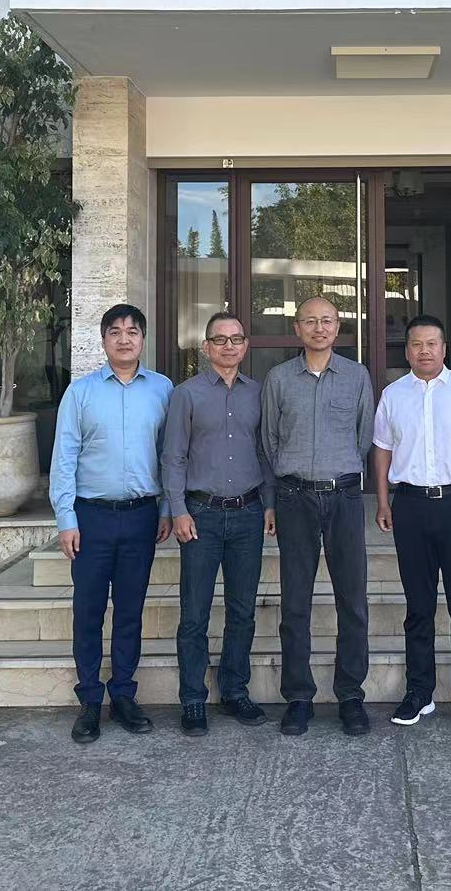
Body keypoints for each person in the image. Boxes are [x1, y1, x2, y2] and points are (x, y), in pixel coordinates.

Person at [51, 304, 173, 744]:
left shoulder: (162, 389)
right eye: (115, 332)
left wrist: (165, 509)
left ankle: (123, 694)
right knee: (87, 611)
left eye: (132, 331)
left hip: (141, 516)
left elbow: (169, 455)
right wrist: (66, 518)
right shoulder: (80, 393)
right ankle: (89, 700)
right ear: (103, 340)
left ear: (143, 339)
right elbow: (64, 456)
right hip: (91, 518)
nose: (124, 339)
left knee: (129, 610)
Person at [372, 315, 451, 730]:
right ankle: (419, 692)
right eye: (416, 344)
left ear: (444, 349)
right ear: (407, 350)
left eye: (432, 343)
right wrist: (383, 500)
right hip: (410, 505)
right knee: (418, 606)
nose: (424, 350)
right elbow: (382, 449)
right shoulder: (393, 394)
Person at [260, 295, 376, 737]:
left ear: (338, 326)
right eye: (310, 321)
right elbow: (270, 440)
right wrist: (278, 494)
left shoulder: (357, 376)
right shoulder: (278, 379)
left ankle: (350, 695)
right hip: (295, 498)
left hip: (344, 496)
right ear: (297, 328)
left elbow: (364, 436)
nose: (319, 328)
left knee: (353, 600)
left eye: (327, 320)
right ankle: (298, 697)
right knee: (295, 602)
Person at [162, 310, 276, 737]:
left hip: (248, 513)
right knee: (194, 613)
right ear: (206, 347)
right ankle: (193, 698)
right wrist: (178, 509)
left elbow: (265, 453)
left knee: (242, 611)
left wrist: (269, 505)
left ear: (245, 346)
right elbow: (173, 456)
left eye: (236, 339)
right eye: (220, 339)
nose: (229, 346)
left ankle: (234, 690)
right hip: (201, 516)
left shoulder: (258, 393)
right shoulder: (186, 394)